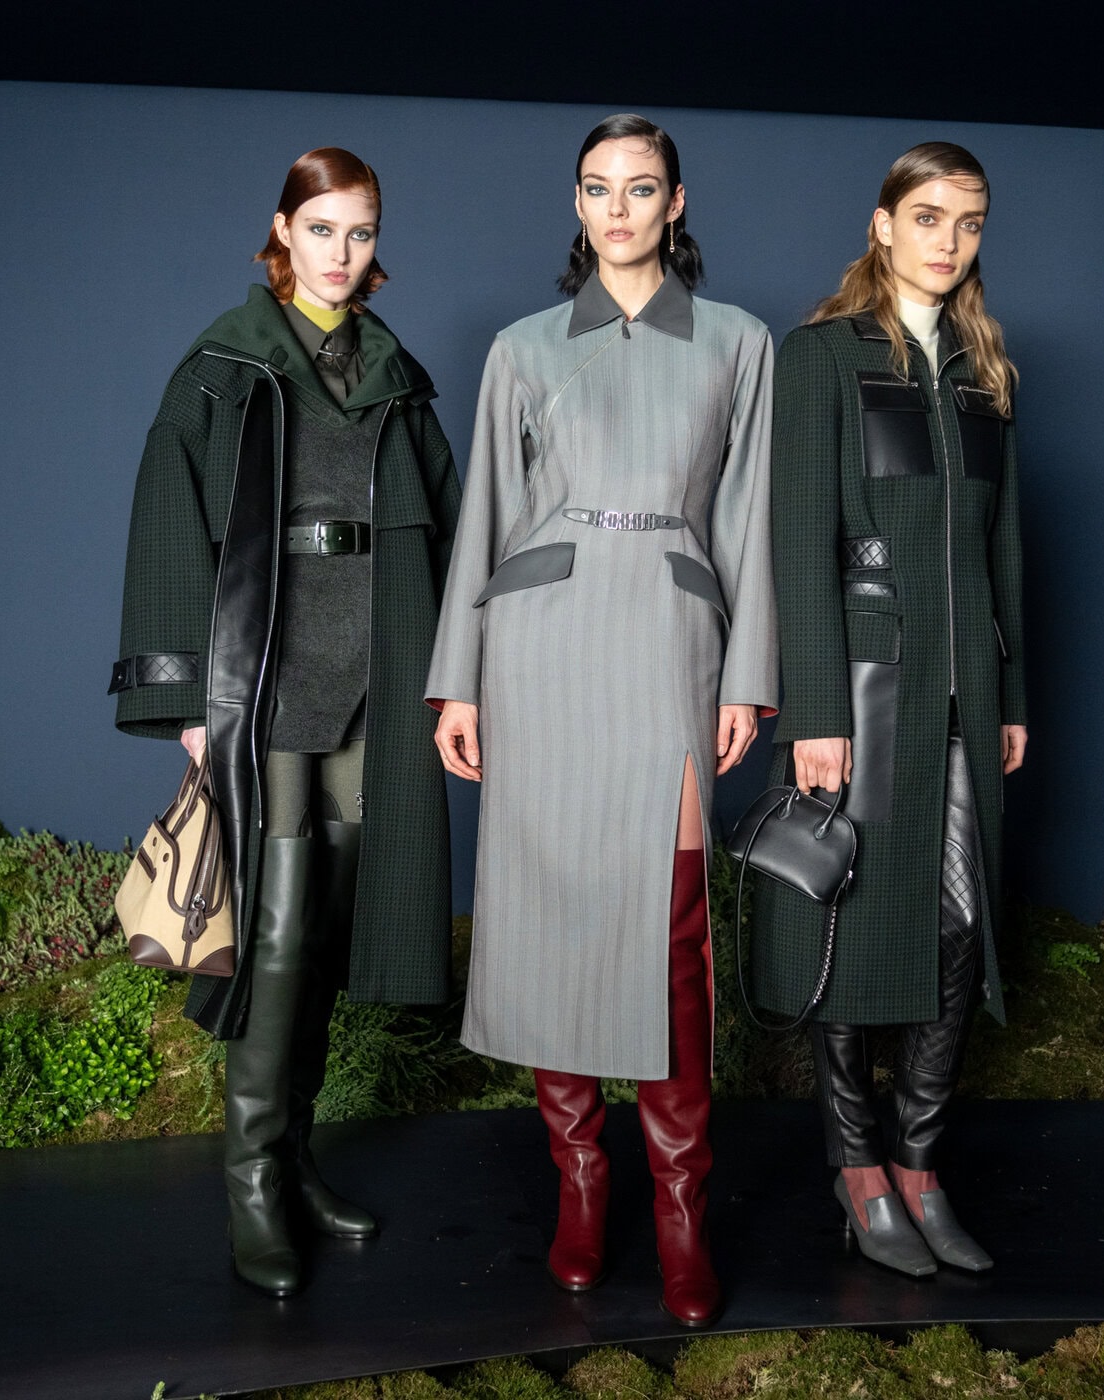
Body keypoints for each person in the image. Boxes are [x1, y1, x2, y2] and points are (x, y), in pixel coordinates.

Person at [424, 114, 776, 1328]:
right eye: (596, 187)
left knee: (673, 930)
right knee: (551, 920)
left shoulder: (739, 342)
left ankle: (681, 1202)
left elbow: (749, 517)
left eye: (640, 187)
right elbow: (485, 512)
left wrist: (747, 674)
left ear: (677, 202)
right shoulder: (522, 348)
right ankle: (580, 1175)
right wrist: (460, 679)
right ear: (576, 204)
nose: (617, 207)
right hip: (540, 647)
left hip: (672, 641)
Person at [110, 147, 463, 1296]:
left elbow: (454, 525)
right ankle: (251, 1180)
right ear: (282, 230)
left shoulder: (395, 373)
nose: (341, 253)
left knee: (331, 925)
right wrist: (187, 702)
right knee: (274, 926)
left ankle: (296, 1157)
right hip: (268, 674)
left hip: (376, 667)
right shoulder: (225, 364)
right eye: (322, 230)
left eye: (361, 233)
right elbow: (169, 516)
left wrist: (460, 672)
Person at [750, 141, 1028, 1278]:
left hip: (967, 689)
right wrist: (814, 709)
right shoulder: (821, 355)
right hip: (863, 690)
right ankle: (856, 1167)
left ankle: (919, 1162)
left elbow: (1005, 546)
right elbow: (796, 541)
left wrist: (1011, 693)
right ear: (882, 223)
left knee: (958, 924)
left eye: (969, 221)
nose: (948, 240)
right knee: (848, 920)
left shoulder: (984, 370)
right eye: (927, 216)